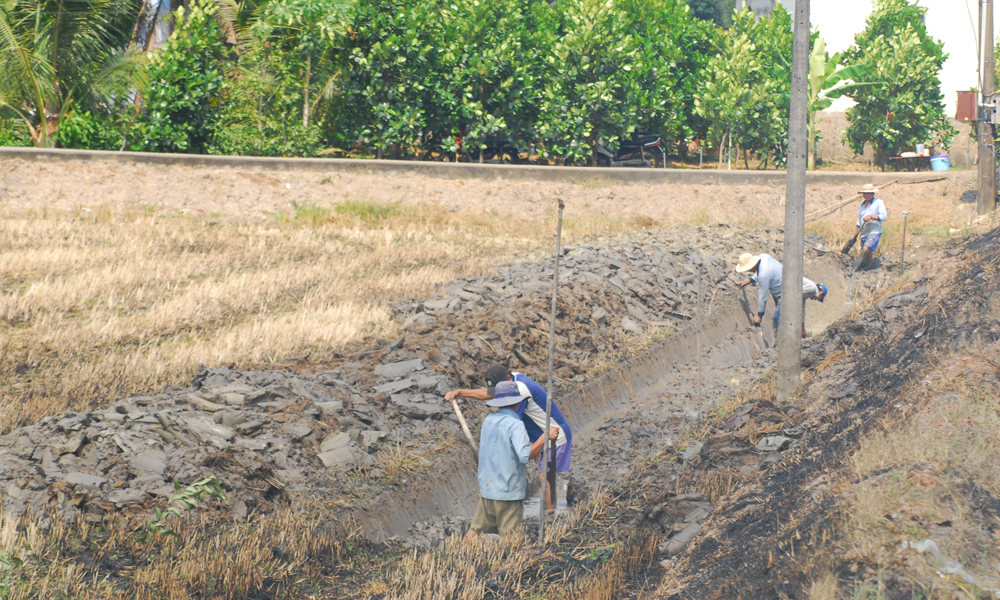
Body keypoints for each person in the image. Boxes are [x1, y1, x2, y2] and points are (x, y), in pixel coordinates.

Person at [445, 364, 572, 510]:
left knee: (545, 479)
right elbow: (489, 393)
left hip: (554, 434)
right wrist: (460, 392)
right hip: (540, 433)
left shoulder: (521, 391)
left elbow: (511, 425)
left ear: (508, 378)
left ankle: (550, 519)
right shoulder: (512, 380)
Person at [463, 381, 558, 541]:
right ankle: (508, 564)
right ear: (518, 402)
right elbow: (524, 456)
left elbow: (504, 445)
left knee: (475, 530)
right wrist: (543, 438)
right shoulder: (516, 425)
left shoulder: (488, 421)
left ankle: (460, 555)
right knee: (510, 538)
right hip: (508, 492)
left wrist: (531, 445)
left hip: (488, 489)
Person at [736, 253, 828, 336]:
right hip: (784, 292)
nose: (815, 299)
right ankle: (781, 343)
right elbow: (763, 296)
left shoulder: (764, 257)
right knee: (777, 319)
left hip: (783, 291)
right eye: (819, 298)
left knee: (780, 318)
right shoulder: (811, 288)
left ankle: (782, 340)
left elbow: (801, 306)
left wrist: (802, 329)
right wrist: (759, 316)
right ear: (821, 292)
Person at [853, 183, 888, 270]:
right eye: (865, 193)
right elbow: (859, 221)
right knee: (868, 255)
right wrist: (854, 234)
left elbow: (884, 217)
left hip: (874, 232)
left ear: (872, 194)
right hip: (864, 233)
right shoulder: (862, 205)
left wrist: (871, 217)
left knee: (865, 249)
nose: (866, 195)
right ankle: (869, 268)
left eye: (868, 193)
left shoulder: (878, 203)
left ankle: (855, 269)